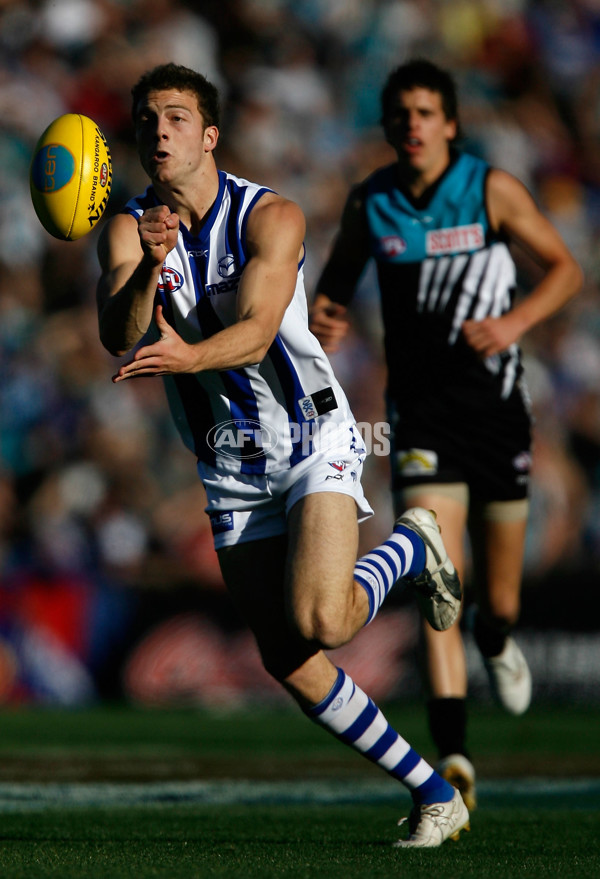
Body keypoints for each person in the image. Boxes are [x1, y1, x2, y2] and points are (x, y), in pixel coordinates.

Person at [95, 62, 468, 848]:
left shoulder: (272, 215)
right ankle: (435, 792)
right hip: (230, 465)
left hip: (311, 434)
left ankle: (412, 542)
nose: (158, 131)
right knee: (291, 661)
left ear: (209, 136)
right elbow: (118, 330)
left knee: (324, 619)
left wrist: (188, 358)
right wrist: (155, 267)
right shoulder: (130, 227)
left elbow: (259, 330)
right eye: (146, 120)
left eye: (174, 117)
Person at [309, 59, 583, 811]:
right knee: (439, 579)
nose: (412, 124)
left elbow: (564, 268)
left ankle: (497, 639)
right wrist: (328, 315)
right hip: (420, 416)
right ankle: (454, 756)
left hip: (497, 415)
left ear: (450, 123)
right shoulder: (373, 203)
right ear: (390, 123)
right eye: (401, 112)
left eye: (426, 112)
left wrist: (515, 322)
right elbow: (333, 287)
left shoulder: (490, 189)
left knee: (496, 599)